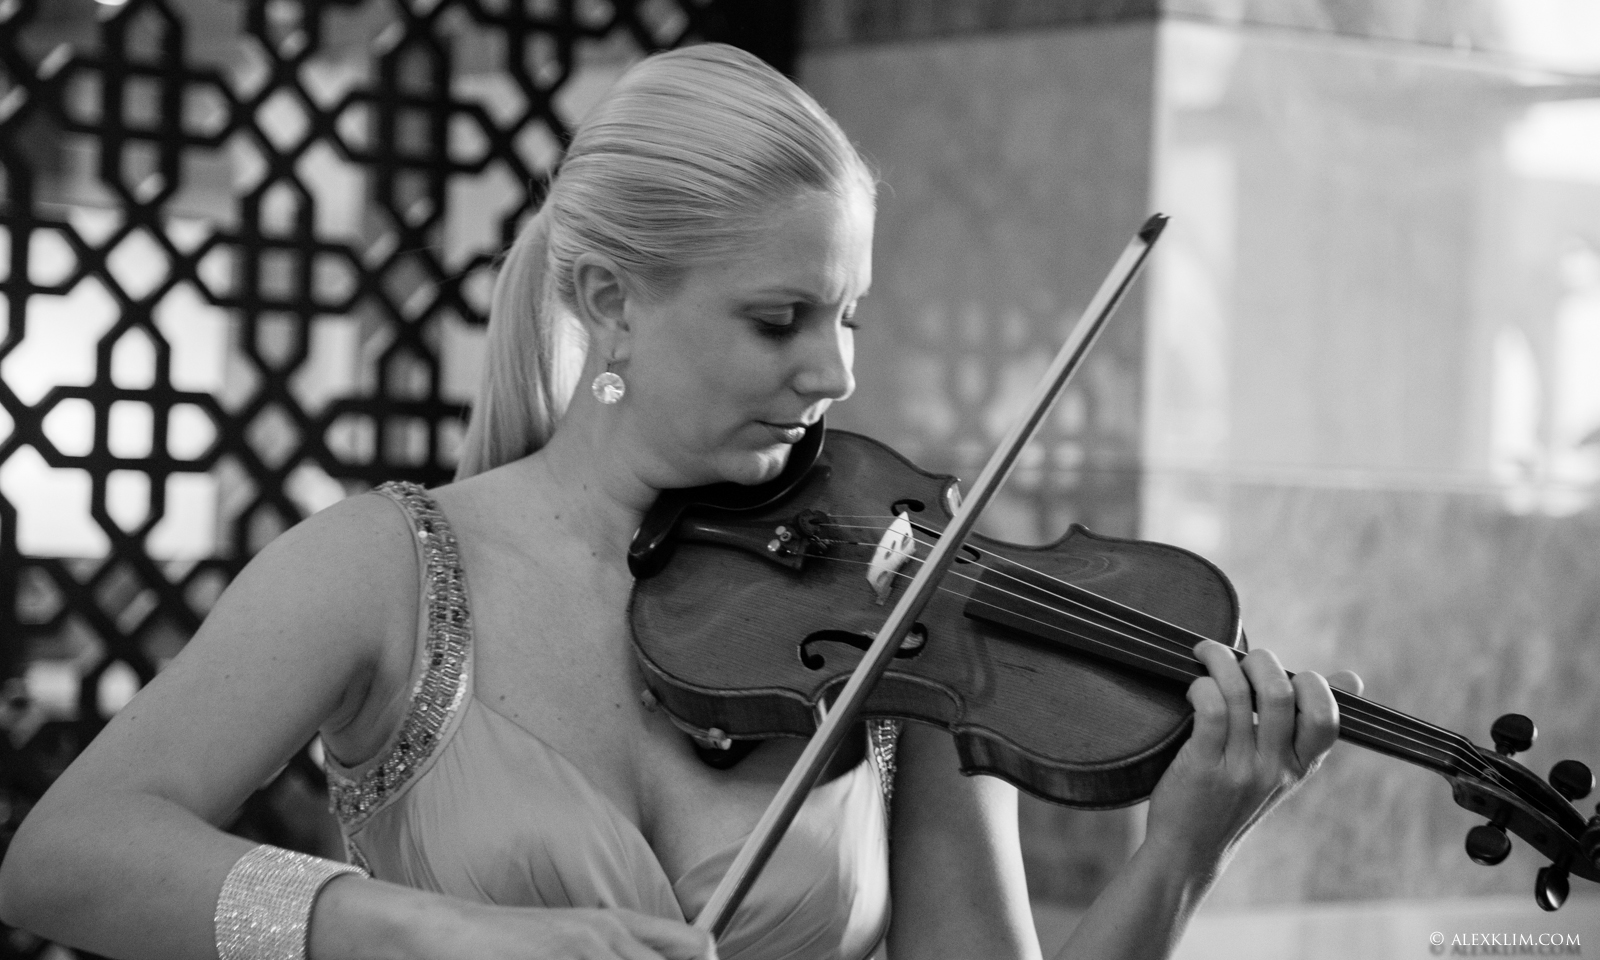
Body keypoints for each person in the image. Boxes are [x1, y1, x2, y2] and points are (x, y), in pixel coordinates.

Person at [0, 43, 1360, 960]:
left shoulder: (905, 616)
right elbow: (61, 857)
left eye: (848, 315)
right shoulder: (387, 568)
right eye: (779, 319)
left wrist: (1182, 856)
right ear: (610, 300)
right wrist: (425, 934)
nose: (834, 373)